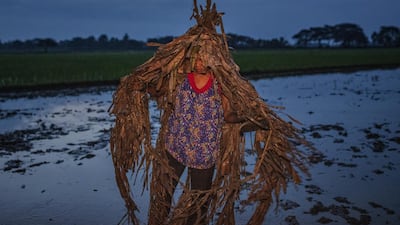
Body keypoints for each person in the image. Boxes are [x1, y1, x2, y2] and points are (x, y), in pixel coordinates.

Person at [152, 53, 242, 224]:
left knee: (199, 201)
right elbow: (158, 91)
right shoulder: (180, 78)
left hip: (204, 152)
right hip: (176, 145)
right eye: (197, 58)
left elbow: (228, 115)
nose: (200, 63)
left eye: (204, 58)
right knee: (164, 193)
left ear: (213, 59)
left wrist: (250, 118)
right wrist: (140, 84)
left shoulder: (220, 82)